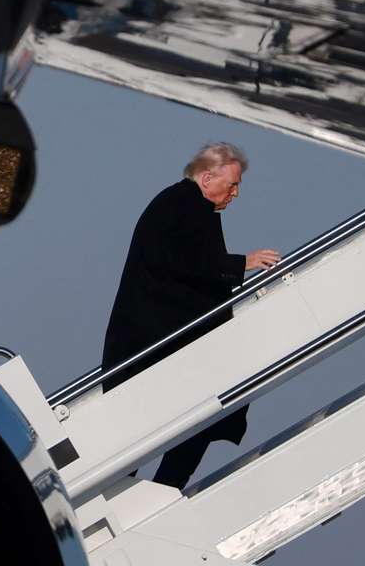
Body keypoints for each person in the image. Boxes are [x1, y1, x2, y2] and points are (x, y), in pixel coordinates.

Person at [101, 142, 280, 489]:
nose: (236, 193)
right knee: (197, 417)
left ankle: (149, 491)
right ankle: (157, 491)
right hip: (159, 344)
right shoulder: (183, 206)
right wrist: (242, 263)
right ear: (207, 177)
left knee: (180, 423)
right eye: (232, 185)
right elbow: (182, 263)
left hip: (160, 342)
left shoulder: (186, 205)